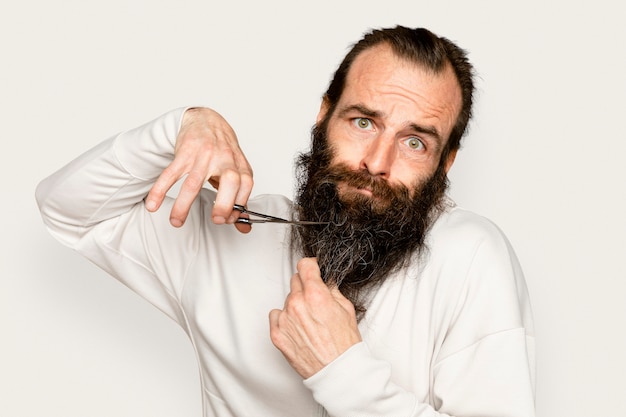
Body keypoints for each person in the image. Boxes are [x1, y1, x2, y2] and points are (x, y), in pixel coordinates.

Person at [36, 26, 535, 417]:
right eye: (363, 122)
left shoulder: (471, 256)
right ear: (324, 116)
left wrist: (343, 373)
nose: (377, 162)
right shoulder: (230, 232)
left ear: (445, 163)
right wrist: (184, 125)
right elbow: (67, 210)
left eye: (414, 141)